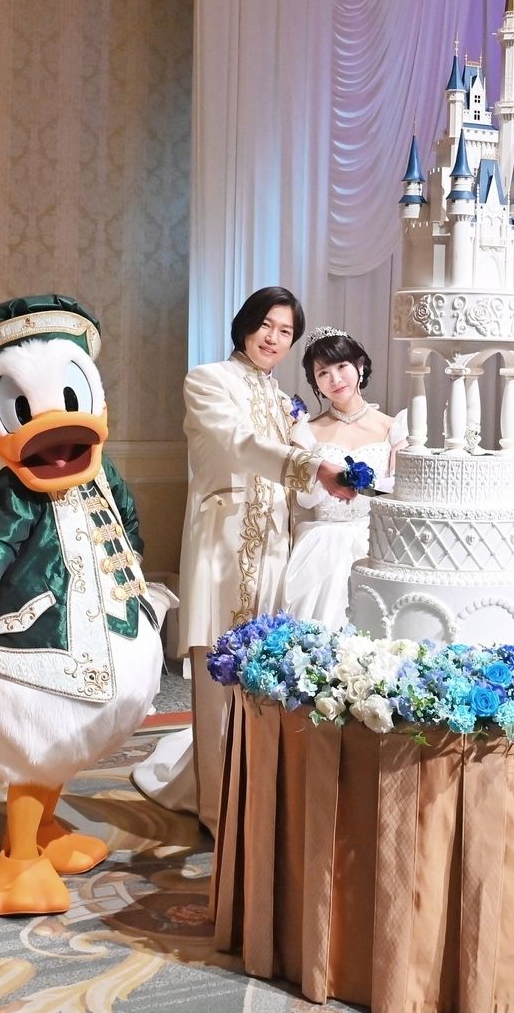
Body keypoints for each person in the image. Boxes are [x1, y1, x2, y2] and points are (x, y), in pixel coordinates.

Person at [130, 288, 354, 836]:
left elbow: (311, 466)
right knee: (217, 676)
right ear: (246, 325)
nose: (274, 338)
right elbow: (237, 442)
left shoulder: (284, 401)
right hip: (223, 545)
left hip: (275, 551)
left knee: (261, 678)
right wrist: (311, 467)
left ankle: (256, 801)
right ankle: (216, 810)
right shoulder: (208, 379)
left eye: (286, 332)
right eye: (267, 325)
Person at [282, 327, 406, 629]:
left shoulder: (393, 427)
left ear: (360, 366)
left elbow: (401, 491)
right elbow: (302, 497)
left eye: (341, 366)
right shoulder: (305, 431)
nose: (335, 379)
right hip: (323, 542)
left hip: (377, 540)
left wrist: (367, 487)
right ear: (315, 383)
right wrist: (328, 478)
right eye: (323, 373)